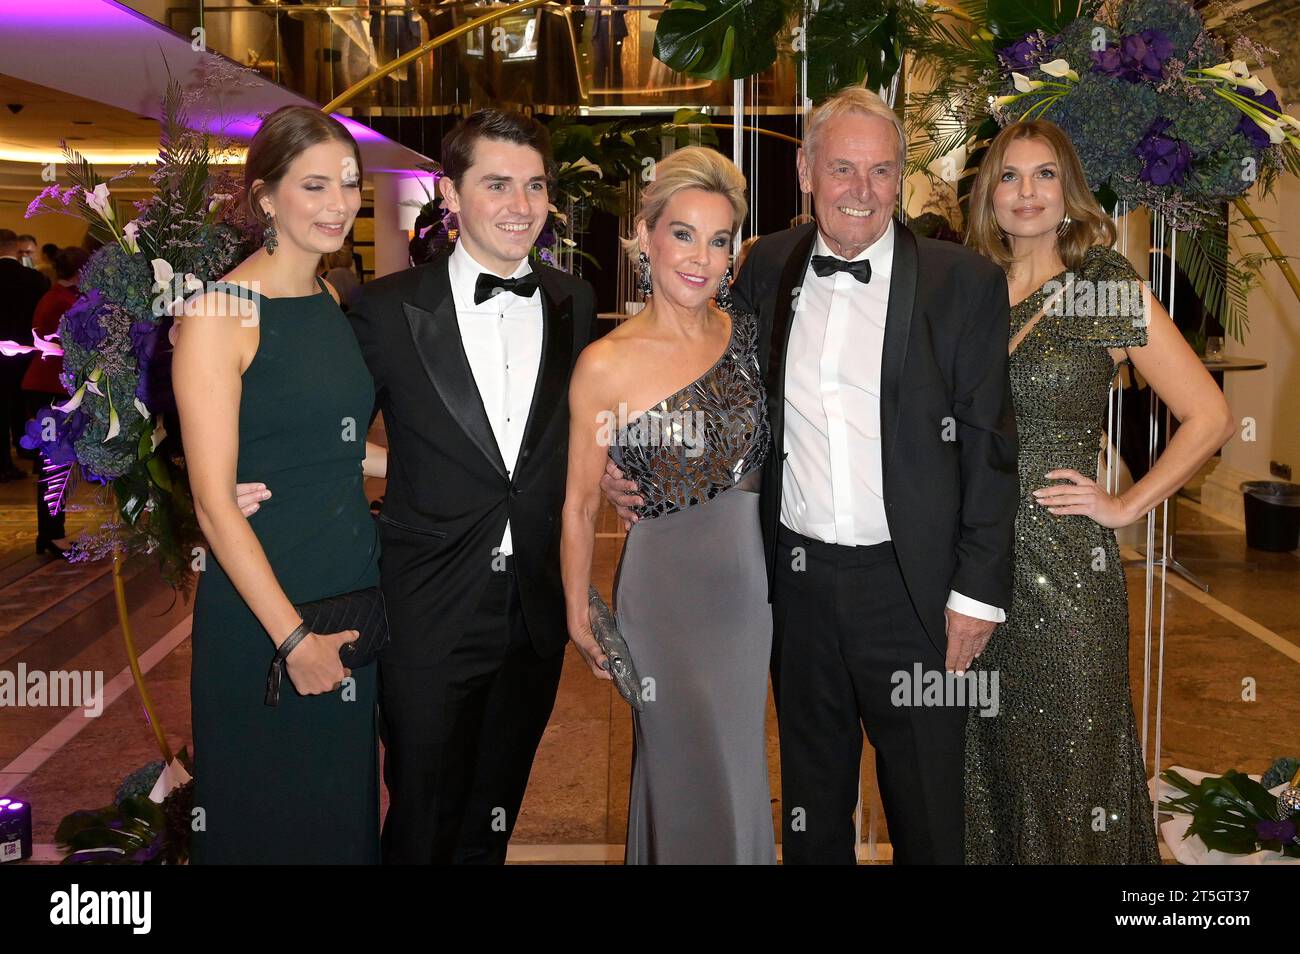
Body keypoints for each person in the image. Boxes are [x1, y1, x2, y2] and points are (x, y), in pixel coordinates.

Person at [603, 86, 1020, 864]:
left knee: (930, 812)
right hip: (794, 587)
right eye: (842, 169)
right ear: (804, 171)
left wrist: (976, 594)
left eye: (882, 171)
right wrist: (621, 462)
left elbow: (993, 447)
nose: (861, 190)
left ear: (901, 180)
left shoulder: (961, 283)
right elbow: (687, 364)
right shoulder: (765, 266)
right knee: (810, 805)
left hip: (918, 593)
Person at [962, 119, 1234, 864]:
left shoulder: (1102, 286)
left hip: (1066, 577)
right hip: (972, 570)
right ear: (989, 195)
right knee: (985, 774)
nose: (1026, 193)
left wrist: (1124, 505)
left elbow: (1209, 415)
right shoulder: (967, 287)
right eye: (1010, 176)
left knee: (1072, 774)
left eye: (1045, 175)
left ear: (1069, 190)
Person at [345, 109, 597, 864]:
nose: (521, 205)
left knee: (496, 809)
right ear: (450, 194)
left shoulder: (573, 299)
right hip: (428, 602)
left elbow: (565, 440)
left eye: (534, 186)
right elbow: (338, 438)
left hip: (534, 603)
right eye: (496, 185)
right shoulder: (386, 309)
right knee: (423, 811)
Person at [174, 105, 386, 864]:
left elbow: (336, 452)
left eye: (351, 184)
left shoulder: (330, 300)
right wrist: (292, 639)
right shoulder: (217, 315)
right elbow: (210, 501)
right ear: (265, 196)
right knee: (268, 821)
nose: (339, 203)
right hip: (266, 612)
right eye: (315, 186)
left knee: (339, 819)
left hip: (349, 588)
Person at [562, 146, 776, 864]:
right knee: (682, 774)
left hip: (749, 599)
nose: (701, 257)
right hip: (662, 599)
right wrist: (577, 609)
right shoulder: (606, 363)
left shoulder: (744, 335)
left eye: (719, 241)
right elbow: (577, 501)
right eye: (683, 233)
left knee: (738, 771)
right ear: (646, 235)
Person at [23, 246, 89, 557]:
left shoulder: (60, 297)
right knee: (54, 462)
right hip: (50, 392)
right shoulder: (63, 302)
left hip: (51, 390)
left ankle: (51, 534)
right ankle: (52, 535)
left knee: (55, 461)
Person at [0, 228, 50, 482]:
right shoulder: (35, 279)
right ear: (14, 248)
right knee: (23, 405)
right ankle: (25, 447)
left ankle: (3, 462)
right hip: (26, 353)